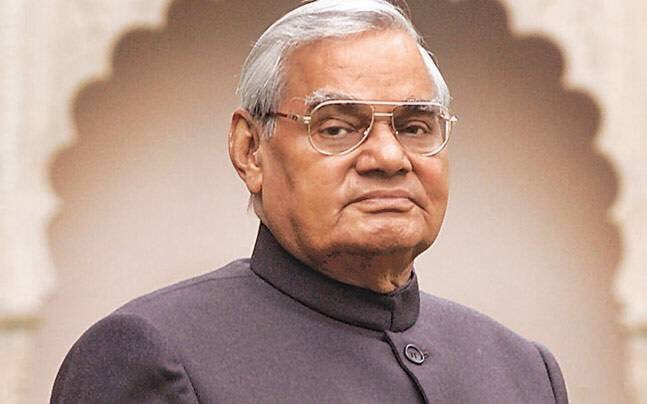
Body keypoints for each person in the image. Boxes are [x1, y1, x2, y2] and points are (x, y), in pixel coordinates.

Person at [51, 1, 568, 403]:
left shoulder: (522, 372)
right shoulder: (157, 356)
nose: (389, 157)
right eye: (337, 127)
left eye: (415, 127)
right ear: (250, 150)